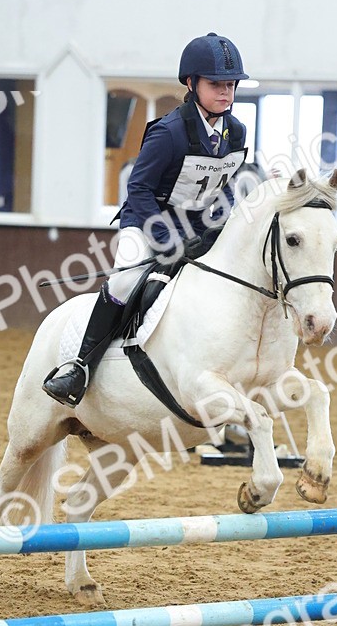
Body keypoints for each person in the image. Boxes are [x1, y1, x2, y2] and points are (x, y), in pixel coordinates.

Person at [42, 31, 250, 407]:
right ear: (191, 83)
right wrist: (164, 236)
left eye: (231, 84)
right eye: (216, 83)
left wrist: (225, 221)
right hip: (147, 221)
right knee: (124, 283)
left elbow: (228, 185)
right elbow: (137, 189)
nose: (225, 92)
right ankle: (79, 368)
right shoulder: (168, 132)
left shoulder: (236, 132)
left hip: (198, 226)